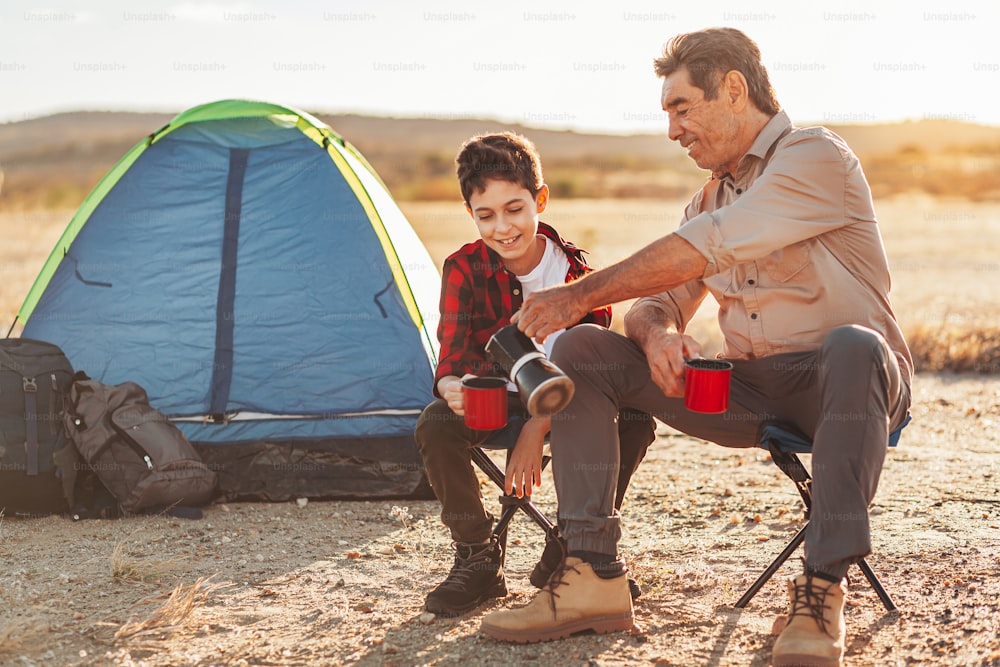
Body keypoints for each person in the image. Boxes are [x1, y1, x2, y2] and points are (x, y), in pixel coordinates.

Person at [480, 28, 912, 667]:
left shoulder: (817, 157)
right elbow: (662, 298)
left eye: (682, 108)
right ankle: (592, 573)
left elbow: (712, 242)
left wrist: (576, 293)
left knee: (855, 344)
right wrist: (657, 333)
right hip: (752, 392)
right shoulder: (705, 198)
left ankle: (822, 592)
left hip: (849, 385)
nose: (673, 131)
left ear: (733, 90)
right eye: (667, 115)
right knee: (581, 350)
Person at [414, 131, 655, 617]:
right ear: (470, 213)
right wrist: (451, 387)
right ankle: (478, 556)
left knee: (636, 421)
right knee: (435, 424)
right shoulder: (462, 268)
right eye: (486, 215)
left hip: (571, 405)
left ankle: (576, 546)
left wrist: (537, 426)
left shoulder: (576, 273)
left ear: (539, 199)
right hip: (493, 400)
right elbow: (453, 355)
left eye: (515, 209)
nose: (502, 227)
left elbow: (596, 372)